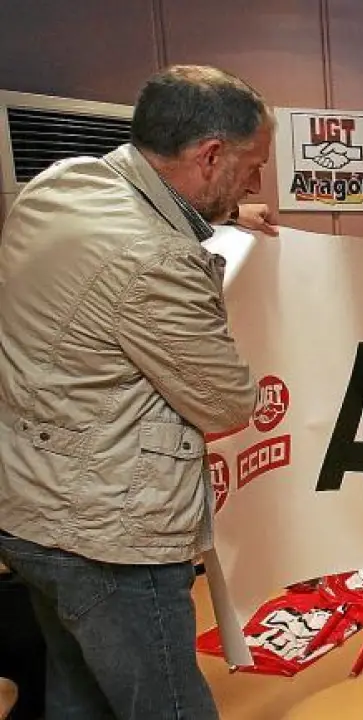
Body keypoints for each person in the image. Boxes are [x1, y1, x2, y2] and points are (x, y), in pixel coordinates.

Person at [0, 64, 271, 718]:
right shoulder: (160, 261)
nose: (257, 183)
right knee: (168, 706)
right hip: (108, 536)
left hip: (29, 505)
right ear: (210, 155)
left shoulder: (62, 182)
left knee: (79, 695)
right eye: (252, 167)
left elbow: (132, 231)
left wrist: (229, 212)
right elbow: (227, 403)